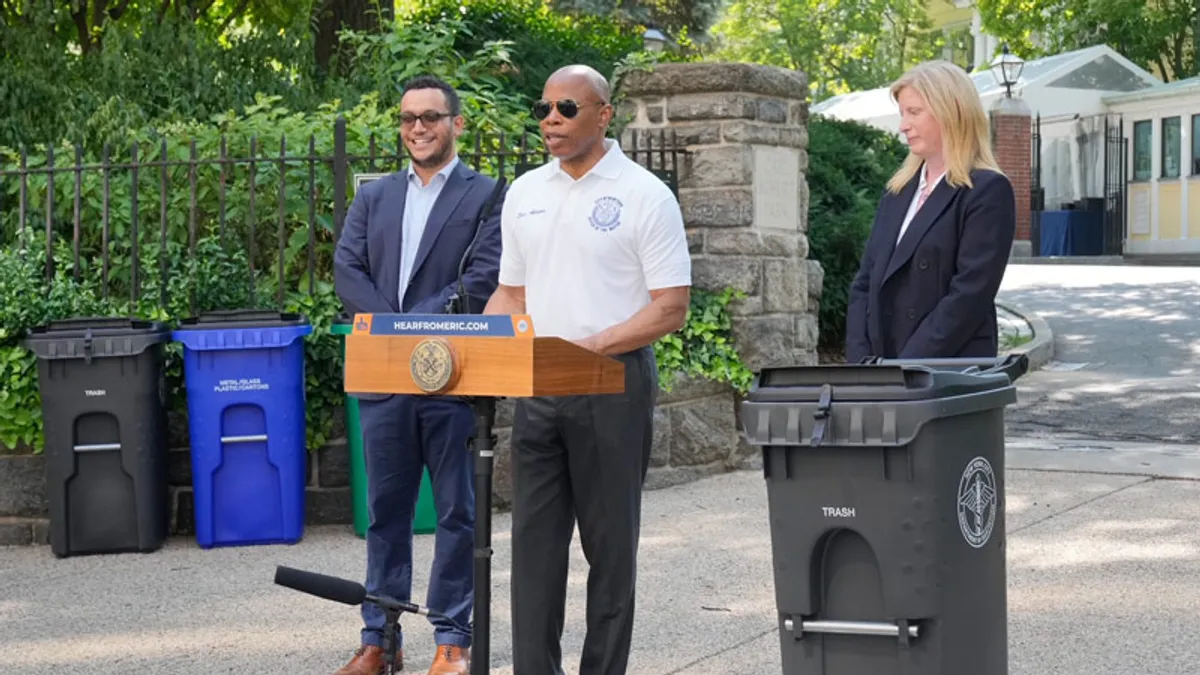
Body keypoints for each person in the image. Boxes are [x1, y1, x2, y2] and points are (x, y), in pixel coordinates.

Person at [483, 64, 692, 675]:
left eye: (567, 108)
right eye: (543, 107)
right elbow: (511, 294)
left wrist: (592, 346)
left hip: (613, 386)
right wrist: (486, 340)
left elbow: (671, 307)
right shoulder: (524, 193)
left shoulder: (644, 194)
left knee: (610, 549)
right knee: (534, 550)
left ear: (604, 114)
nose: (551, 118)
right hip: (539, 386)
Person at [332, 74, 504, 675]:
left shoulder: (486, 194)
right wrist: (395, 333)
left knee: (458, 512)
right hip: (384, 380)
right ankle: (379, 638)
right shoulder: (373, 196)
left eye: (430, 117)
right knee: (386, 512)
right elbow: (346, 271)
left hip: (453, 377)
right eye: (408, 119)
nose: (418, 128)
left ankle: (453, 640)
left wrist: (405, 330)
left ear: (456, 123)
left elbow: (482, 280)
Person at [845, 60, 1016, 363]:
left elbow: (969, 296)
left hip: (944, 373)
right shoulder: (897, 192)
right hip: (881, 371)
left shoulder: (987, 190)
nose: (903, 125)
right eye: (902, 114)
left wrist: (906, 369)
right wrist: (861, 365)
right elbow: (864, 283)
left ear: (951, 111)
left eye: (914, 112)